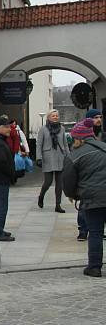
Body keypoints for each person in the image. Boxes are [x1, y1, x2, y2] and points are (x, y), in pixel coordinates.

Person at [63, 118, 106, 277]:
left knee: (95, 232)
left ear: (78, 138)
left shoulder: (75, 155)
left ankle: (94, 268)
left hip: (92, 198)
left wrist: (72, 195)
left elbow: (67, 181)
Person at [77, 110, 103, 240]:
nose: (98, 119)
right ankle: (83, 229)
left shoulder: (102, 134)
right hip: (87, 173)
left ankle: (99, 228)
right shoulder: (82, 133)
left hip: (101, 173)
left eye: (100, 117)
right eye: (95, 117)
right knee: (84, 204)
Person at [36, 109, 69, 213]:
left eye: (56, 115)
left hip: (60, 156)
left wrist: (68, 156)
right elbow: (39, 144)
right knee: (48, 182)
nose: (55, 117)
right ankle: (41, 196)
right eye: (53, 116)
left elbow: (65, 143)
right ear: (49, 117)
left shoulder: (62, 128)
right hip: (48, 157)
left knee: (60, 183)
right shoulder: (43, 129)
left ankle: (58, 205)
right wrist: (39, 158)